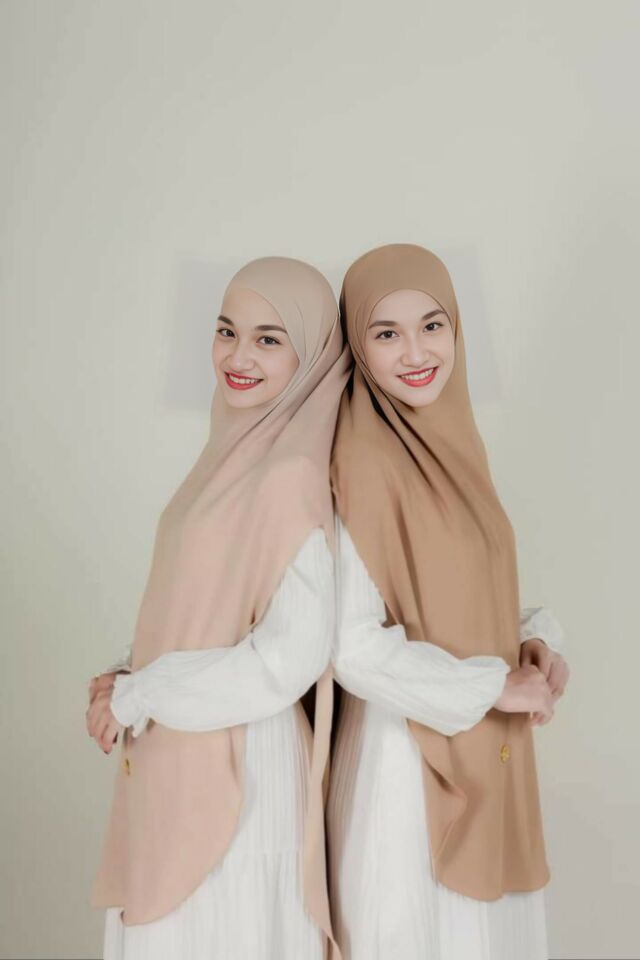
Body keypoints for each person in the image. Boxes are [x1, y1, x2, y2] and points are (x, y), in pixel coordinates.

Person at [86, 256, 351, 960]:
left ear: (311, 353)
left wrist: (142, 694)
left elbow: (288, 658)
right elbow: (205, 602)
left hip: (243, 775)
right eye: (227, 331)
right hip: (182, 749)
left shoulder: (292, 472)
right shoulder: (230, 453)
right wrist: (127, 675)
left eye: (269, 339)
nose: (238, 357)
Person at [327, 243, 570, 960]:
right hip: (407, 772)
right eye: (386, 333)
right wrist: (497, 685)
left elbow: (456, 590)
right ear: (357, 345)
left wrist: (532, 642)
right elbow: (350, 643)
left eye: (432, 326)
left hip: (488, 756)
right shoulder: (363, 458)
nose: (416, 353)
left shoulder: (452, 443)